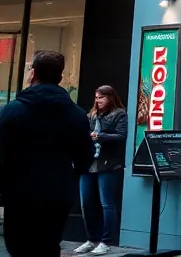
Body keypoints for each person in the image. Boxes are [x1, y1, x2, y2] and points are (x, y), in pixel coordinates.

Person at [0, 50, 93, 257]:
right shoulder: (77, 115)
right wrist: (70, 176)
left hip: (20, 193)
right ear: (60, 77)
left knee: (18, 246)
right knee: (49, 245)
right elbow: (85, 156)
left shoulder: (12, 111)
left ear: (33, 74)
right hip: (57, 193)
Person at [75, 86, 129, 255]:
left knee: (106, 203)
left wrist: (100, 136)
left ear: (110, 98)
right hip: (89, 162)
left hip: (108, 163)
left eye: (101, 98)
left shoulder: (119, 114)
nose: (98, 101)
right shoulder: (91, 115)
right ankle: (92, 239)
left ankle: (106, 241)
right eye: (96, 97)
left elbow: (121, 136)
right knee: (86, 203)